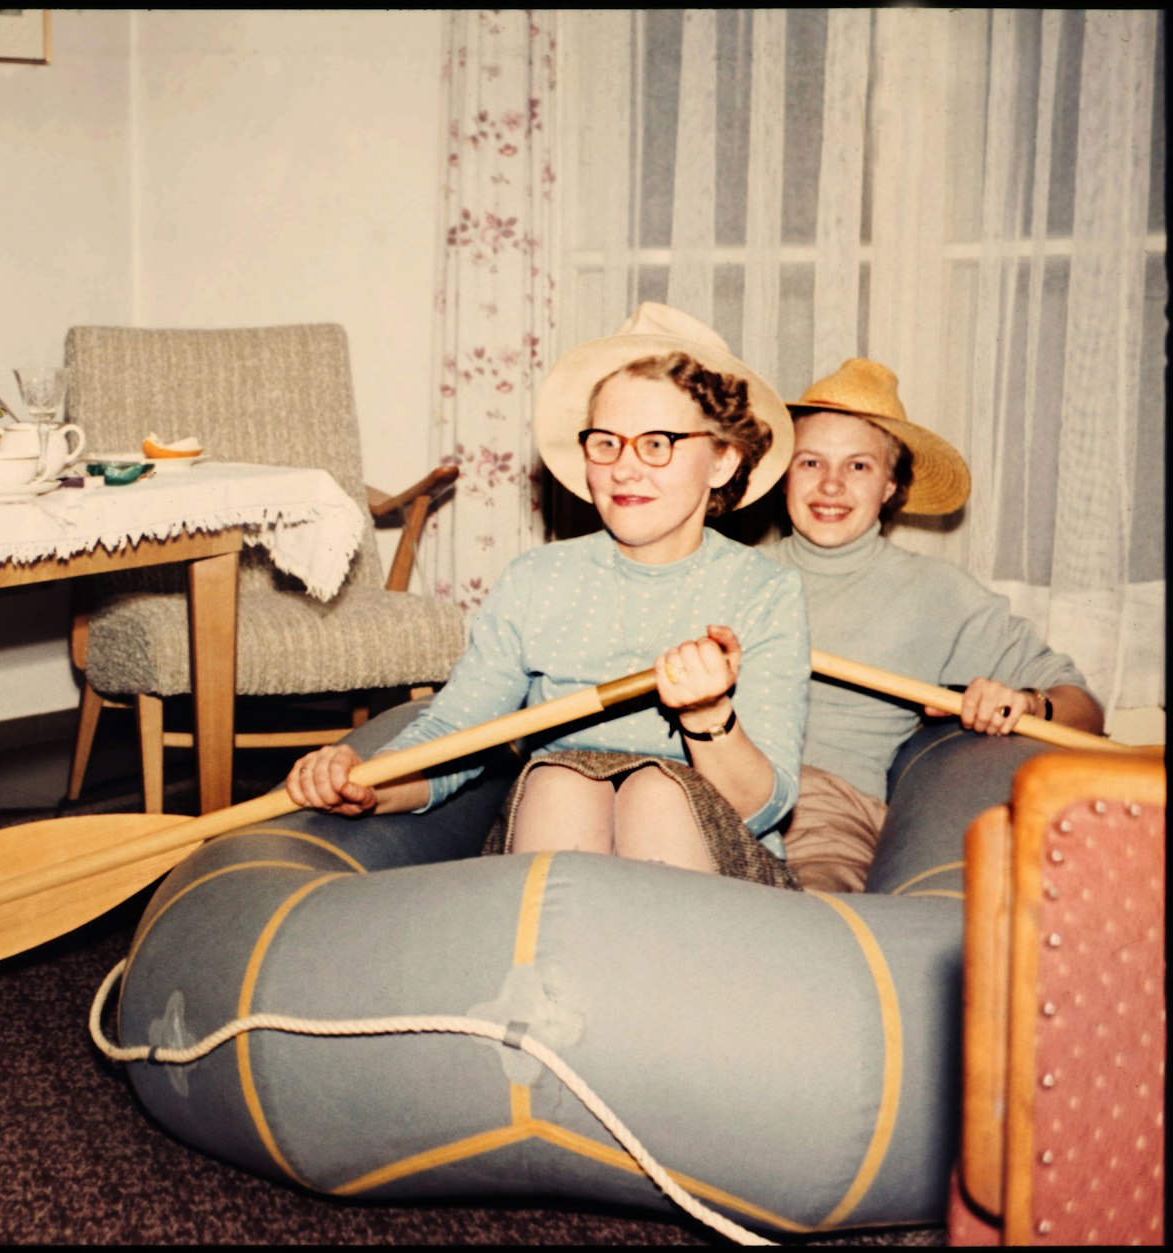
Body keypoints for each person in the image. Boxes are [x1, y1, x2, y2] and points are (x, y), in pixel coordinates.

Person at [285, 303, 811, 889]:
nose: (624, 469)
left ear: (723, 461)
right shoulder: (537, 579)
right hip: (558, 822)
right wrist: (365, 782)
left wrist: (707, 715)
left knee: (655, 793)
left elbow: (764, 807)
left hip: (711, 860)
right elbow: (456, 735)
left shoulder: (764, 591)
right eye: (606, 443)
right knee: (561, 781)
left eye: (657, 443)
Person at [766, 358, 1105, 892]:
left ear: (890, 485)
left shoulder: (937, 593)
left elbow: (1083, 707)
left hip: (822, 808)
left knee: (805, 917)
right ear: (784, 474)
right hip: (706, 786)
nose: (831, 485)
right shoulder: (733, 572)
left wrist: (1027, 703)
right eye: (810, 462)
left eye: (859, 467)